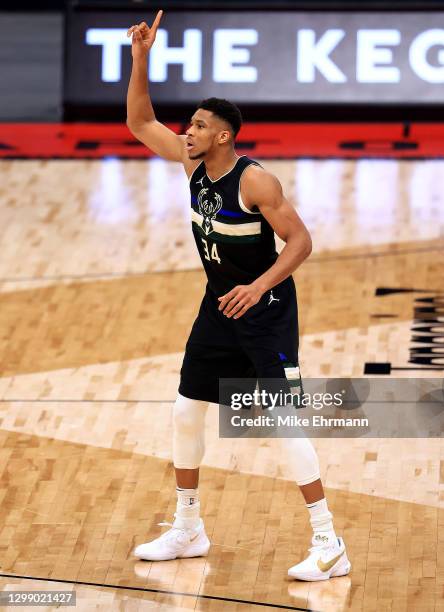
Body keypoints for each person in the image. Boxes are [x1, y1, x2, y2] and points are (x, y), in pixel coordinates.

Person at [126, 10, 350, 581]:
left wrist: (258, 286)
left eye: (199, 126)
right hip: (218, 307)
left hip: (265, 312)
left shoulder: (256, 181)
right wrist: (141, 58)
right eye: (190, 125)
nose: (189, 131)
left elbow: (301, 241)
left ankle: (329, 542)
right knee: (185, 412)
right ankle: (188, 528)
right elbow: (138, 122)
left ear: (223, 135)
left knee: (282, 426)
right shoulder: (190, 163)